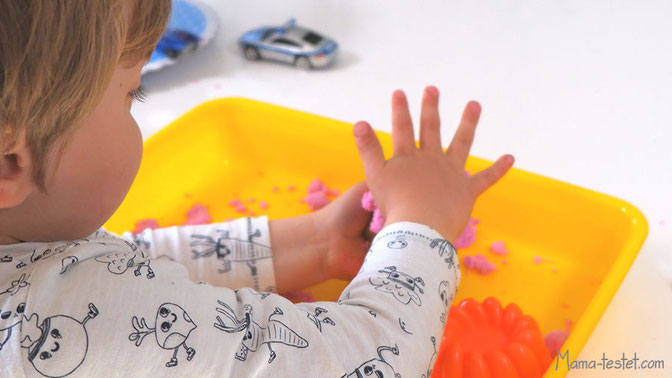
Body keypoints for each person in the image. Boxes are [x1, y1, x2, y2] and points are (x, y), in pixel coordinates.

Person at [0, 1, 514, 376]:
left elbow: (109, 269)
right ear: (10, 162)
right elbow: (370, 363)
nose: (137, 107)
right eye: (132, 93)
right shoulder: (47, 325)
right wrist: (420, 226)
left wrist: (310, 244)